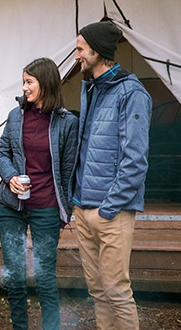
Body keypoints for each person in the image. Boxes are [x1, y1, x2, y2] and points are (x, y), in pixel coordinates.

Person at [71, 21, 152, 330]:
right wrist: (76, 202)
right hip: (83, 207)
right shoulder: (91, 88)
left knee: (117, 291)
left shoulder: (131, 93)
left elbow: (135, 159)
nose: (76, 55)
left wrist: (109, 208)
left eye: (80, 49)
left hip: (111, 212)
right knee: (98, 292)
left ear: (97, 51)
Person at [0, 57, 78, 330]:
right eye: (24, 82)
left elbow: (68, 171)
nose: (24, 88)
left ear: (46, 83)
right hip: (11, 207)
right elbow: (2, 152)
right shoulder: (15, 115)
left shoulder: (67, 123)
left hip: (46, 207)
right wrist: (10, 178)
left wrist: (65, 212)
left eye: (29, 82)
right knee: (15, 277)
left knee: (44, 278)